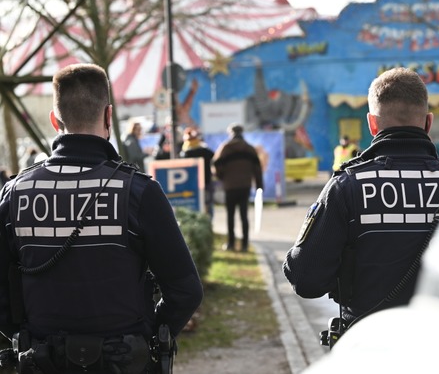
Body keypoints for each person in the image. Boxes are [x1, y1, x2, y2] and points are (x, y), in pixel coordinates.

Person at [0, 63, 203, 373]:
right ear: (109, 115)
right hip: (124, 363)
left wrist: (27, 339)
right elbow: (185, 290)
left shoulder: (14, 194)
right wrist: (149, 337)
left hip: (41, 363)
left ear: (56, 120)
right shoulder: (139, 191)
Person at [282, 67, 439, 336]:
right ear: (428, 122)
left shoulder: (347, 187)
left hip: (368, 349)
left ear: (372, 124)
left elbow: (306, 280)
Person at [213, 124, 263, 252]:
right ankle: (245, 244)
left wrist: (221, 177)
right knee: (244, 215)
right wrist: (259, 185)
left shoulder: (225, 148)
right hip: (245, 185)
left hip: (230, 186)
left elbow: (217, 164)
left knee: (230, 215)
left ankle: (231, 244)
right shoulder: (249, 149)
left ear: (231, 133)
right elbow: (257, 169)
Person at [180, 127, 215, 218]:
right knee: (208, 204)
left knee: (193, 205)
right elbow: (213, 156)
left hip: (191, 184)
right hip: (206, 181)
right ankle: (209, 223)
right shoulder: (205, 151)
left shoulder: (185, 153)